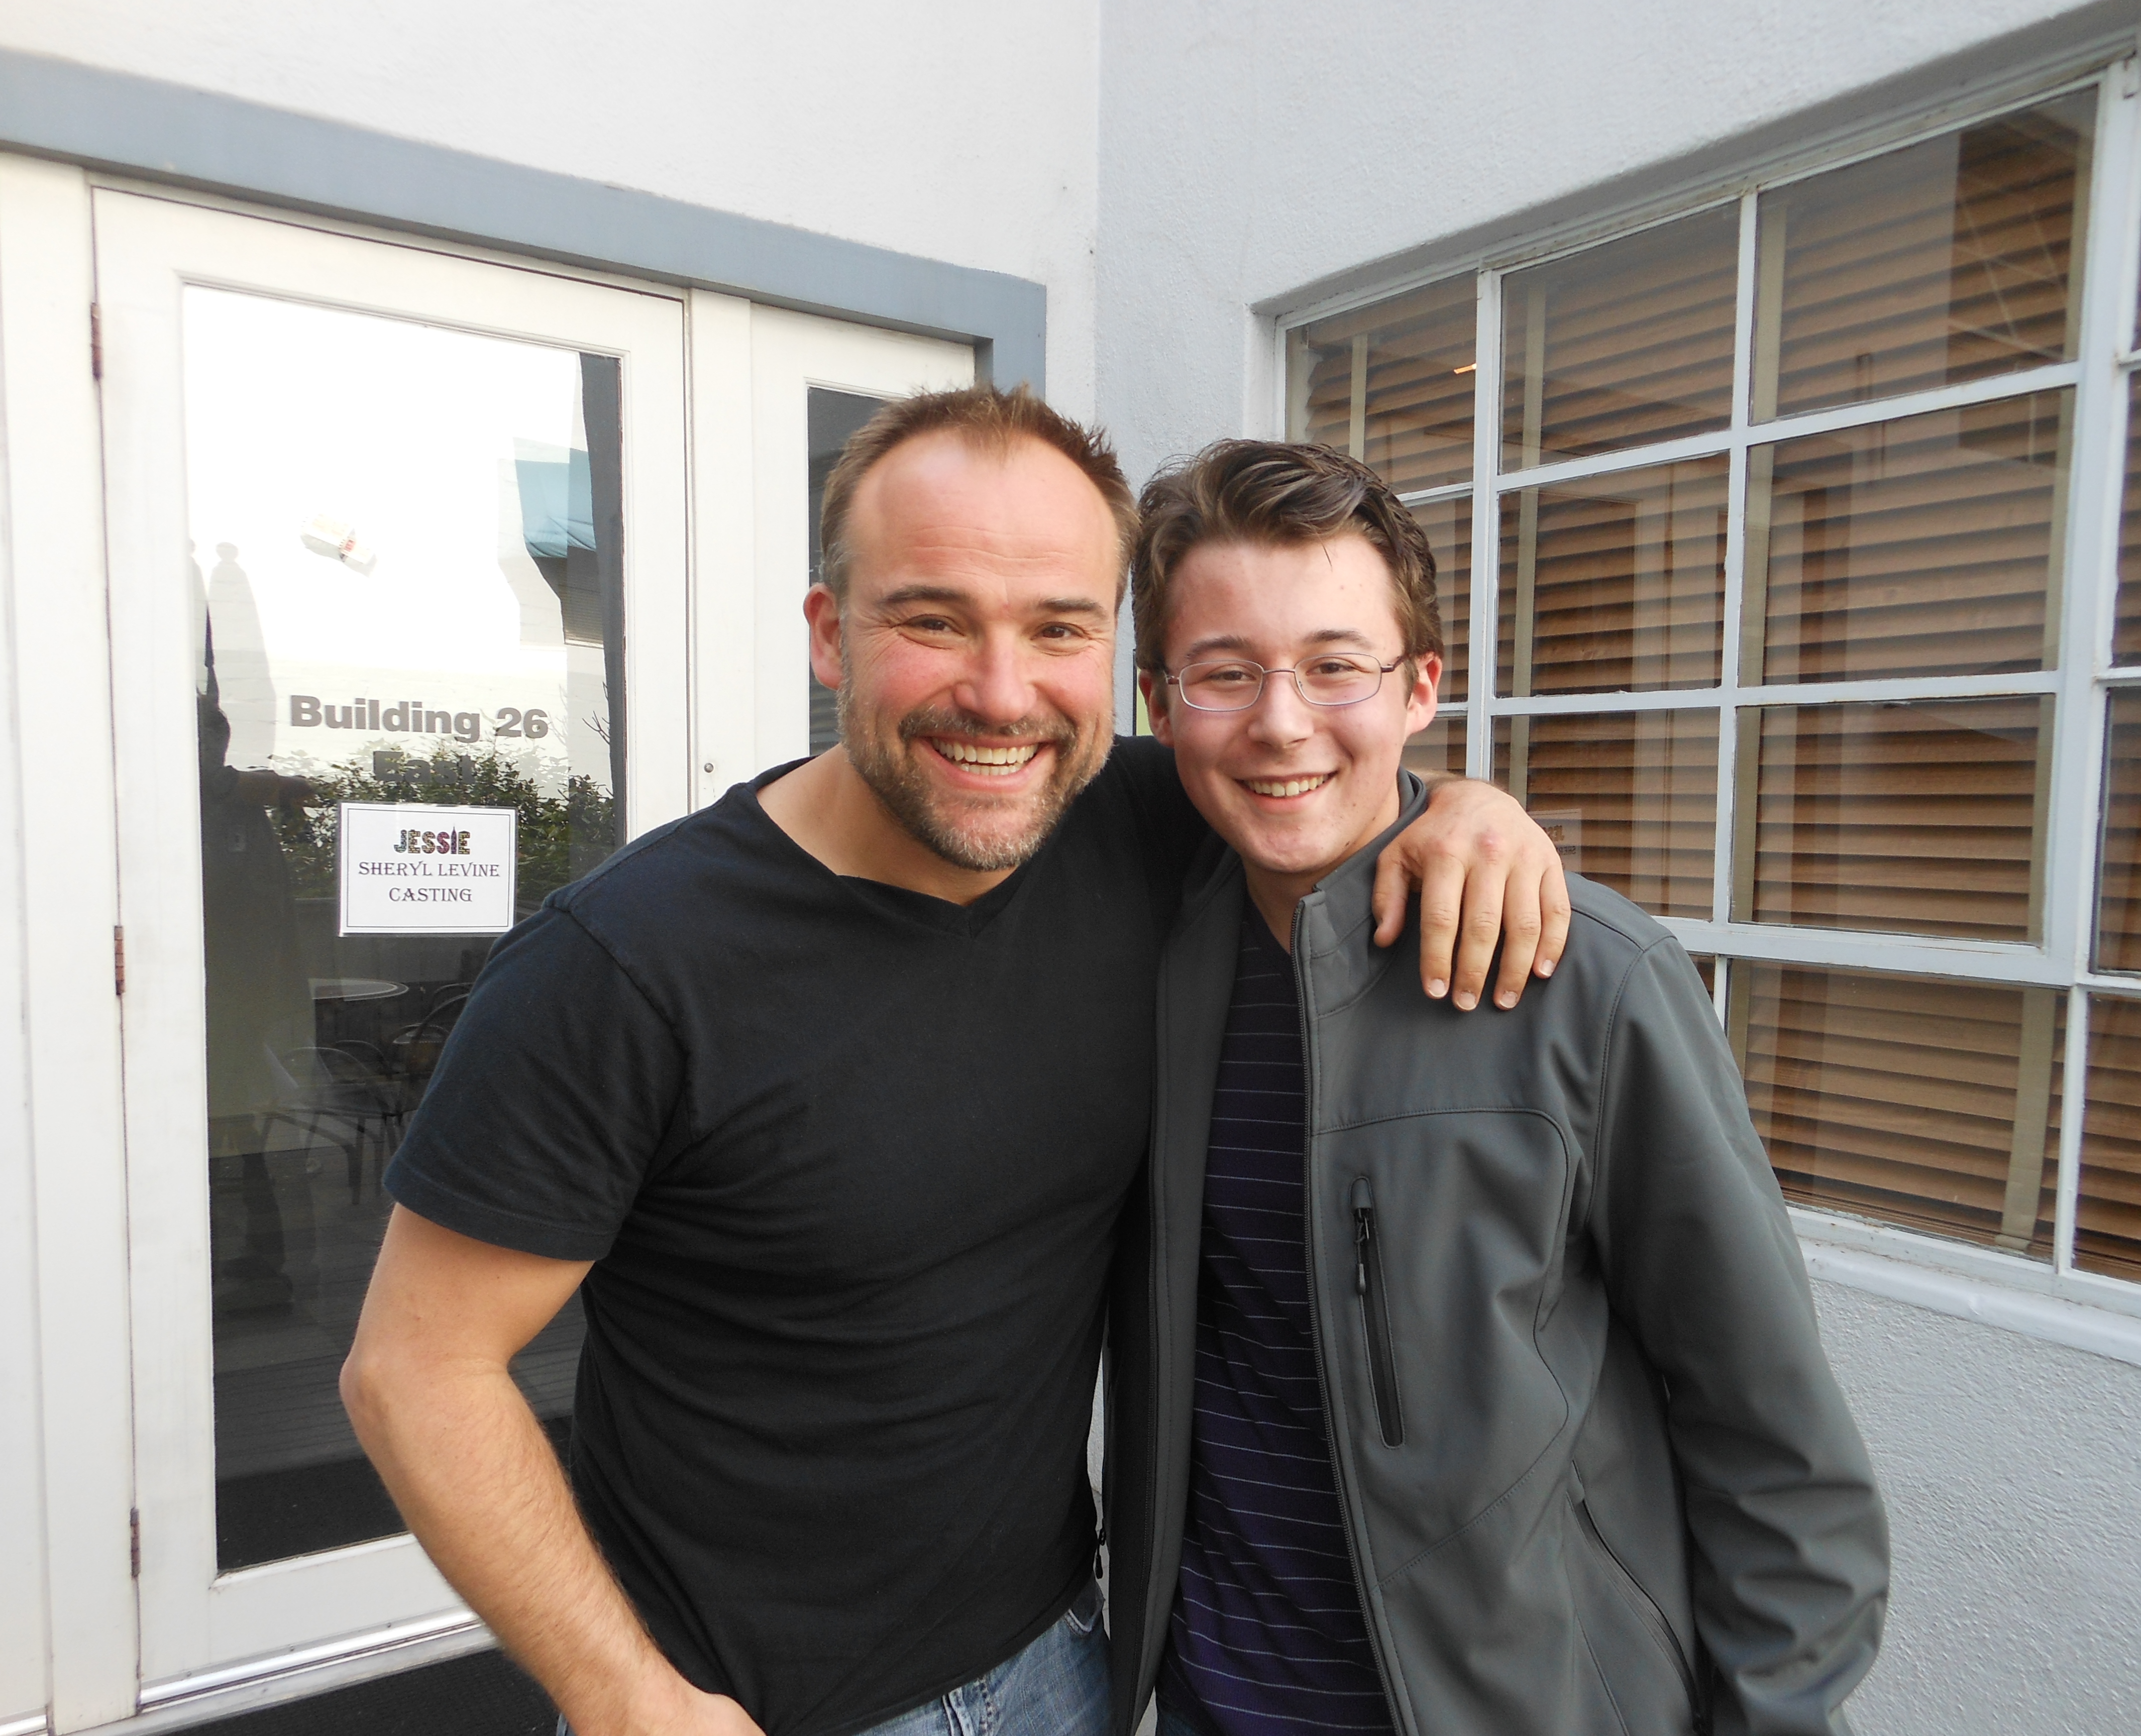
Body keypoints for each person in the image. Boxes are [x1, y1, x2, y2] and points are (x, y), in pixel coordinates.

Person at [340, 387, 1569, 1736]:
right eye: (931, 620)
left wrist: (1468, 809)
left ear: (1114, 653)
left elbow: (1311, 764)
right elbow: (418, 1369)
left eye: (1057, 630)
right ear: (831, 635)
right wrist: (621, 1696)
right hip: (737, 1708)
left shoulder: (1132, 824)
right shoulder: (625, 965)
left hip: (1063, 1669)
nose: (1002, 692)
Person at [1106, 441, 1890, 1736]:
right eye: (1224, 672)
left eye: (1334, 665)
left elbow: (1777, 1443)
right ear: (1157, 697)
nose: (1282, 721)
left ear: (1421, 685)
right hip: (1214, 1703)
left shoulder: (1591, 981)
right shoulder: (1139, 941)